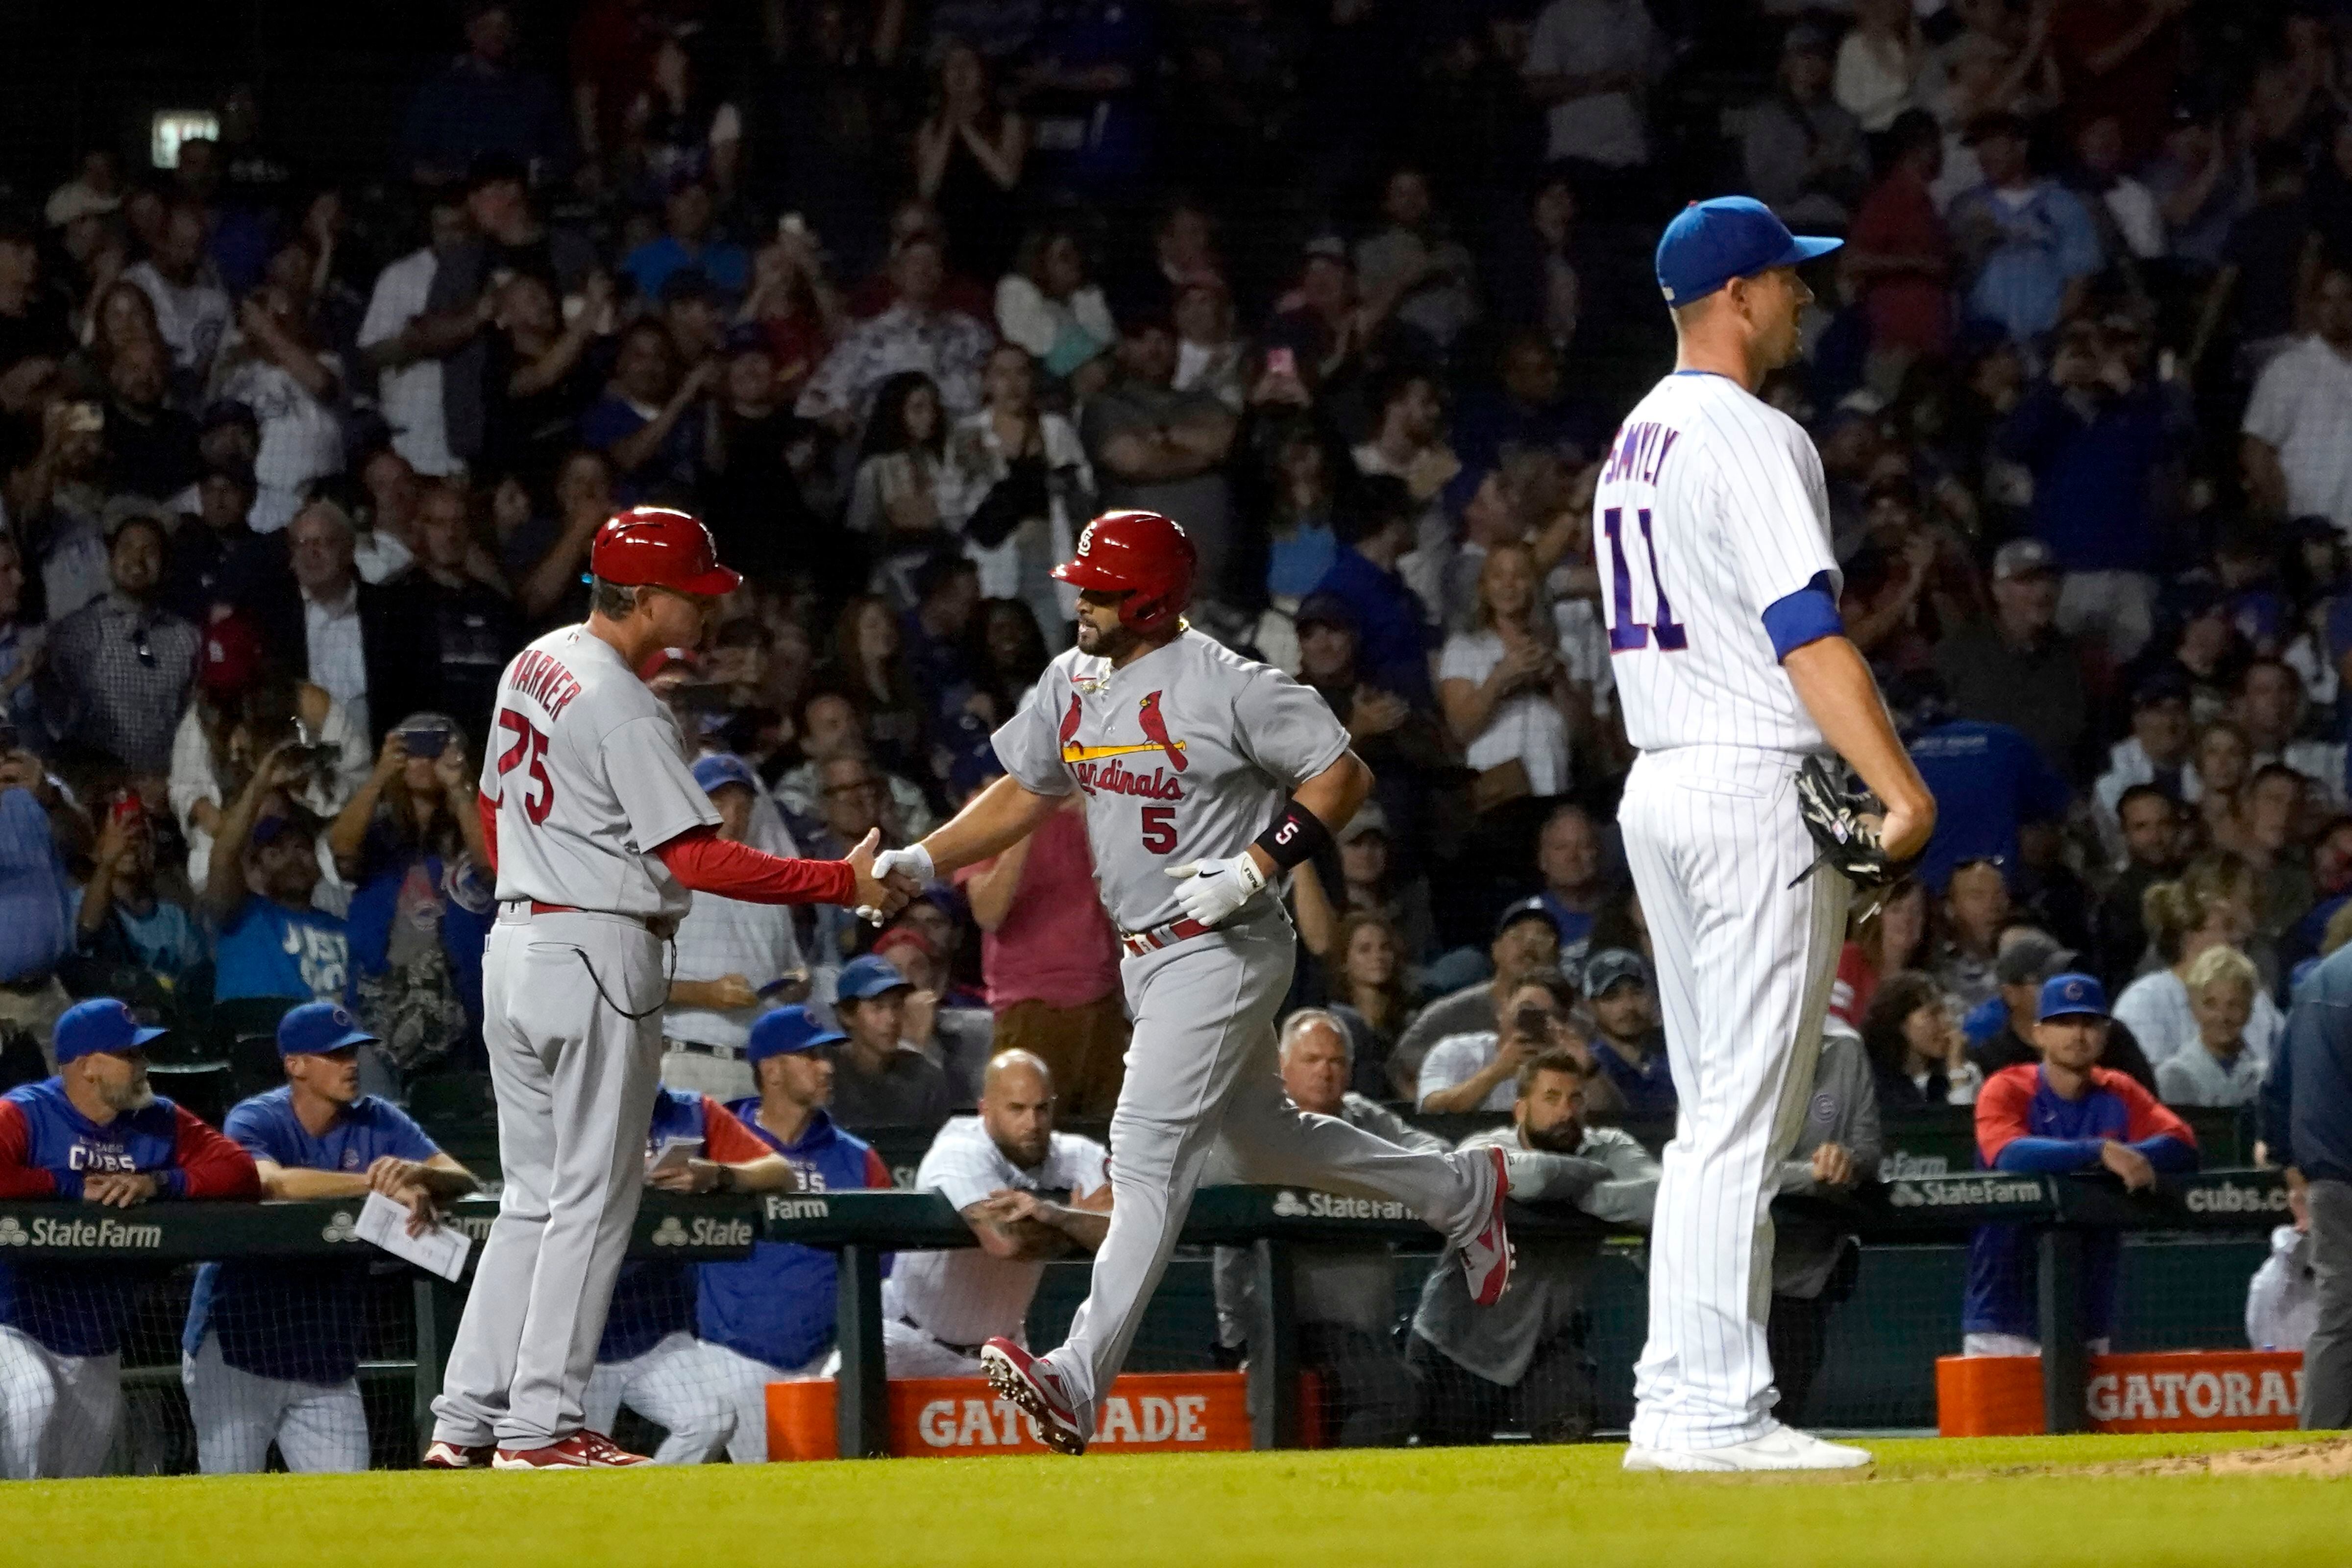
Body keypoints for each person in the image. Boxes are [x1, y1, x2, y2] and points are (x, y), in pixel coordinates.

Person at [869, 509, 1514, 1456]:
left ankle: (1076, 1379)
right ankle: (1459, 1190)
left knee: (1143, 1158)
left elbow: (1341, 777)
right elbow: (1026, 789)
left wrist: (1257, 865)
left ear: (1149, 598)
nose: (1080, 599)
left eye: (1097, 587)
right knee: (1265, 1137)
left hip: (1226, 941)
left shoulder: (1229, 684)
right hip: (1145, 956)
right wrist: (923, 861)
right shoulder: (1075, 677)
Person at [425, 508, 907, 1471]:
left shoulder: (535, 659)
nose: (708, 602)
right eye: (692, 592)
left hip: (516, 946)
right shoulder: (625, 706)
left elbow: (491, 798)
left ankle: (464, 1419)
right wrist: (838, 881)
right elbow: (695, 856)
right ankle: (543, 1427)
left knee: (530, 1198)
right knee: (595, 1203)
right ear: (644, 599)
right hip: (598, 950)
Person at [1603, 197, 1935, 1472]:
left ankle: (1673, 1400)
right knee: (1741, 1119)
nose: (1804, 297)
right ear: (1737, 296)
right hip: (1748, 786)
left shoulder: (1636, 434)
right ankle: (1717, 1414)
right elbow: (1805, 628)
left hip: (1662, 783)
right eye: (1788, 281)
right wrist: (1900, 790)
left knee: (1712, 1116)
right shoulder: (1751, 431)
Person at [181, 1003, 477, 1474]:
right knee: (229, 1507)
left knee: (347, 1507)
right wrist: (375, 1183)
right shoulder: (255, 1118)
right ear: (295, 1065)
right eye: (334, 1055)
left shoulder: (376, 1118)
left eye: (354, 1054)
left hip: (326, 1358)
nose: (351, 1065)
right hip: (238, 1349)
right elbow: (270, 1182)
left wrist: (418, 1174)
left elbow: (461, 1178)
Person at [0, 999, 261, 1479]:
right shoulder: (26, 1112)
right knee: (30, 1403)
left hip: (98, 1340)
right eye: (129, 1054)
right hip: (14, 1324)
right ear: (87, 1066)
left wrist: (161, 1182)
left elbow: (240, 1171)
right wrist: (69, 1185)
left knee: (74, 1486)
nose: (143, 1064)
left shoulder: (158, 1118)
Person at [1211, 1010, 1446, 1446]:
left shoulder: (1365, 1120)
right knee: (1395, 1398)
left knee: (1399, 1395)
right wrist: (1238, 1343)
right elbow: (1228, 1245)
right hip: (1289, 1327)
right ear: (1282, 1068)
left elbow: (1432, 1151)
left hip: (1365, 1330)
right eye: (1312, 1059)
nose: (1326, 1070)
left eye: (1337, 1061)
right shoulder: (1255, 1131)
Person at [1410, 1046, 1661, 1446]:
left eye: (1575, 1098)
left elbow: (1660, 1196)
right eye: (1551, 1098)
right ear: (1520, 1110)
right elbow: (1536, 1177)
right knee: (1448, 1471)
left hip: (1541, 1347)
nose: (1566, 1112)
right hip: (1459, 1345)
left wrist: (1582, 1196)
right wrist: (1589, 1177)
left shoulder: (1607, 1145)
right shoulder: (1489, 1142)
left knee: (1571, 1424)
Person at [692, 1005, 893, 1463]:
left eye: (828, 1055)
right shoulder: (718, 1140)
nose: (827, 1067)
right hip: (730, 1360)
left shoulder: (859, 1161)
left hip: (821, 1366)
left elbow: (885, 1274)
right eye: (810, 1056)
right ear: (772, 1070)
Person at [1963, 973, 2197, 1358]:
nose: (2078, 1034)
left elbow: (2183, 1144)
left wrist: (2130, 1158)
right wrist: (2101, 1152)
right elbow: (2009, 1156)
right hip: (2004, 1311)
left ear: (2105, 1034)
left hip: (2088, 1310)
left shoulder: (2117, 1090)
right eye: (2064, 1023)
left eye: (2089, 1023)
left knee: (2085, 1422)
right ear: (2039, 1034)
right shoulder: (2007, 1088)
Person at [583, 1077, 796, 1465]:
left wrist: (718, 1175)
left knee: (710, 1418)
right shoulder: (573, 1107)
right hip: (576, 1336)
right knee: (564, 1464)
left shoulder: (689, 1111)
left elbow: (781, 1173)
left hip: (653, 1332)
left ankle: (646, 1511)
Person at [885, 1051, 1108, 1377]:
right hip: (908, 1340)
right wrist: (1078, 1221)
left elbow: (1125, 1235)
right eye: (1017, 1109)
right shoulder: (960, 1150)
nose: (1032, 1124)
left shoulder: (1074, 1154)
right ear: (985, 1111)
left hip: (1001, 1353)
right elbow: (1006, 1243)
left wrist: (1054, 1215)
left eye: (1042, 1109)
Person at [955, 790, 1127, 1119]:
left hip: (1103, 1007)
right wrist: (1026, 818)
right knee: (1024, 1145)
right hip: (1027, 1009)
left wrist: (1095, 819)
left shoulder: (1103, 802)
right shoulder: (988, 807)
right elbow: (989, 912)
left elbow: (1125, 906)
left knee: (1115, 1150)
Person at [657, 753, 808, 1102]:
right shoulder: (661, 879)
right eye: (717, 803)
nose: (732, 817)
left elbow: (794, 968)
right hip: (685, 1061)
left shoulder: (769, 884)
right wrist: (705, 993)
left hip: (758, 1069)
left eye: (743, 806)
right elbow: (627, 984)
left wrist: (797, 983)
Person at [1765, 1026, 1881, 1426]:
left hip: (1807, 1271)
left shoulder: (1845, 1047)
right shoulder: (1728, 1044)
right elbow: (1725, 1165)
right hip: (1735, 1271)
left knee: (1786, 1414)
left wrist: (1845, 1159)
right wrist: (1810, 1175)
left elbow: (1868, 1152)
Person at [2264, 933, 2352, 1426]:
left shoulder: (2321, 977)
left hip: (2328, 1178)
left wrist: (2287, 1157)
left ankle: (2318, 1448)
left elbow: (2276, 1086)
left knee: (2340, 1316)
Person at [44, 514, 199, 776]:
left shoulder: (186, 638)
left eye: (149, 551)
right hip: (97, 789)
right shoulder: (75, 632)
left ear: (165, 565)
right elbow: (55, 717)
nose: (137, 559)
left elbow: (191, 721)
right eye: (127, 547)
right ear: (110, 558)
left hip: (162, 789)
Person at [201, 751, 351, 1010]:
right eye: (276, 850)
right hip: (260, 1042)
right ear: (256, 865)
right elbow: (224, 854)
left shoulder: (346, 928)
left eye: (302, 847)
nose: (292, 858)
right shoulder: (238, 915)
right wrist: (261, 784)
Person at [1391, 898, 1565, 1098]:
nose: (1529, 946)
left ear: (1558, 956)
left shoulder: (1574, 1019)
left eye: (1542, 937)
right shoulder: (1454, 1012)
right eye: (1517, 935)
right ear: (1495, 950)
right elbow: (1401, 1063)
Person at [2112, 881, 2285, 1070]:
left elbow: (2287, 1061)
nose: (2238, 937)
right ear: (2190, 936)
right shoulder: (2145, 1000)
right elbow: (2143, 1081)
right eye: (2226, 927)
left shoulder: (2254, 998)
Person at [2242, 265, 2352, 535]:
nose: (2336, 309)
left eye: (2346, 299)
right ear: (2314, 305)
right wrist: (2286, 523)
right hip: (2312, 537)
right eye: (2326, 300)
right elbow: (2257, 449)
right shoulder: (2289, 368)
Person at [1420, 975, 1592, 1115]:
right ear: (1502, 1011)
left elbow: (1606, 1119)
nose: (1537, 1021)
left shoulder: (1566, 1061)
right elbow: (1432, 1109)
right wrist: (1498, 1071)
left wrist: (1584, 1071)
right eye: (1528, 1010)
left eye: (1549, 1015)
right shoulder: (1456, 1051)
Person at [826, 953, 953, 1130]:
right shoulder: (824, 1073)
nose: (892, 1019)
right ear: (847, 1015)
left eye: (897, 1006)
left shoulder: (926, 1079)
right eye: (878, 1008)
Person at [2154, 945, 2267, 1107]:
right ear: (2193, 1008)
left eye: (2234, 1005)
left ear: (2249, 1009)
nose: (2222, 1017)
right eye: (2210, 1005)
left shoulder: (2266, 1079)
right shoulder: (2174, 1077)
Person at [1861, 969, 1976, 1109]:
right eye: (1933, 1014)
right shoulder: (1868, 1081)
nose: (1947, 1022)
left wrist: (1957, 1073)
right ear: (1900, 1023)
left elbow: (1964, 1127)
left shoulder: (1965, 1071)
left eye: (1946, 1012)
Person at [1584, 948, 1675, 1117]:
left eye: (1637, 993)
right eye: (1611, 997)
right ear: (1591, 1006)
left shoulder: (1673, 1056)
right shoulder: (1590, 1063)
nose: (1628, 1006)